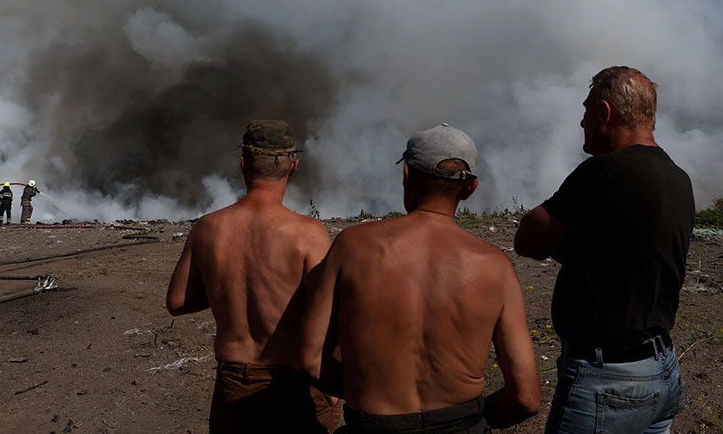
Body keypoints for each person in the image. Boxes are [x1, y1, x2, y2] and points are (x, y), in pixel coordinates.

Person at [299, 124, 540, 434]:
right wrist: (474, 422)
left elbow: (308, 358)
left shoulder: (352, 247)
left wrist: (365, 391)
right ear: (471, 187)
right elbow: (527, 398)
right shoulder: (496, 267)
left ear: (407, 176)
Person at [514, 66, 693, 434]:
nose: (581, 122)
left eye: (585, 111)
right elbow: (629, 255)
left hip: (608, 378)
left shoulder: (604, 173)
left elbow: (528, 237)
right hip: (662, 368)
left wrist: (566, 247)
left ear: (604, 112)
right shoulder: (678, 177)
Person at [166, 119, 341, 434]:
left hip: (235, 382)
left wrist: (225, 287)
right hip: (296, 385)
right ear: (294, 166)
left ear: (243, 163)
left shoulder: (208, 228)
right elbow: (332, 313)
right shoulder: (307, 233)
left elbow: (177, 302)